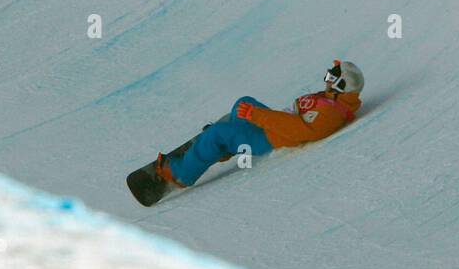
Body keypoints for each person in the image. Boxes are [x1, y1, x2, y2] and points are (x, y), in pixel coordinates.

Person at [155, 59, 365, 188]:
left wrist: (258, 116)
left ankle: (181, 174)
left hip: (271, 139)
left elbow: (300, 131)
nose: (327, 78)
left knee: (217, 133)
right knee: (243, 103)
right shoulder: (332, 99)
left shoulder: (330, 113)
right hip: (272, 127)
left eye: (331, 76)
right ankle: (226, 146)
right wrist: (256, 114)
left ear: (342, 84)